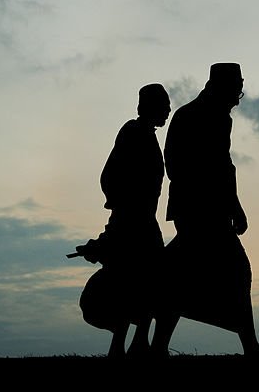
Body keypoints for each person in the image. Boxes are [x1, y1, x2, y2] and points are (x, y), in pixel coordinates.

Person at [151, 63, 259, 356]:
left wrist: (233, 205)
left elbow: (224, 166)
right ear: (221, 87)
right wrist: (228, 204)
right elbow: (189, 165)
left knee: (180, 276)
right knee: (235, 271)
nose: (237, 97)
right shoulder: (195, 115)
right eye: (235, 90)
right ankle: (250, 346)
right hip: (199, 209)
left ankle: (158, 345)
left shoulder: (214, 116)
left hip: (205, 207)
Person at [72, 83, 170, 358]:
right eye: (164, 105)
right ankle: (126, 344)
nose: (168, 110)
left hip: (141, 220)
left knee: (145, 283)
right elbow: (112, 175)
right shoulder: (134, 133)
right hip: (133, 220)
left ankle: (137, 342)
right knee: (134, 282)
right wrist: (120, 212)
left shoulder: (144, 135)